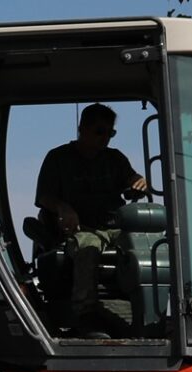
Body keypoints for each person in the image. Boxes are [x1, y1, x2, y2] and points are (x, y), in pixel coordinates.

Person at [33, 103, 147, 334]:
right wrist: (63, 208)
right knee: (88, 248)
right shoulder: (58, 158)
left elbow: (130, 179)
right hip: (81, 228)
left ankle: (147, 309)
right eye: (99, 131)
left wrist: (138, 181)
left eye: (110, 133)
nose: (105, 138)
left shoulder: (115, 159)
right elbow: (44, 197)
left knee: (145, 247)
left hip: (115, 227)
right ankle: (86, 313)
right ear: (82, 128)